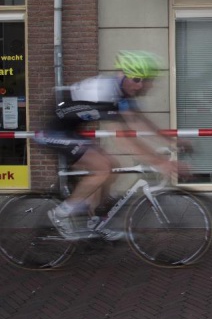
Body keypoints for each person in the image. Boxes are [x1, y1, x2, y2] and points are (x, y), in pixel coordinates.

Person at [35, 51, 191, 241]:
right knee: (103, 167)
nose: (141, 85)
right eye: (136, 79)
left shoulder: (121, 92)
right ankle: (61, 215)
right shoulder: (106, 93)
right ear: (122, 75)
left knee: (111, 166)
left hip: (72, 130)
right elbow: (123, 138)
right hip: (55, 132)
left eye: (146, 80)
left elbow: (139, 122)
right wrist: (160, 163)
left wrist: (172, 142)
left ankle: (94, 221)